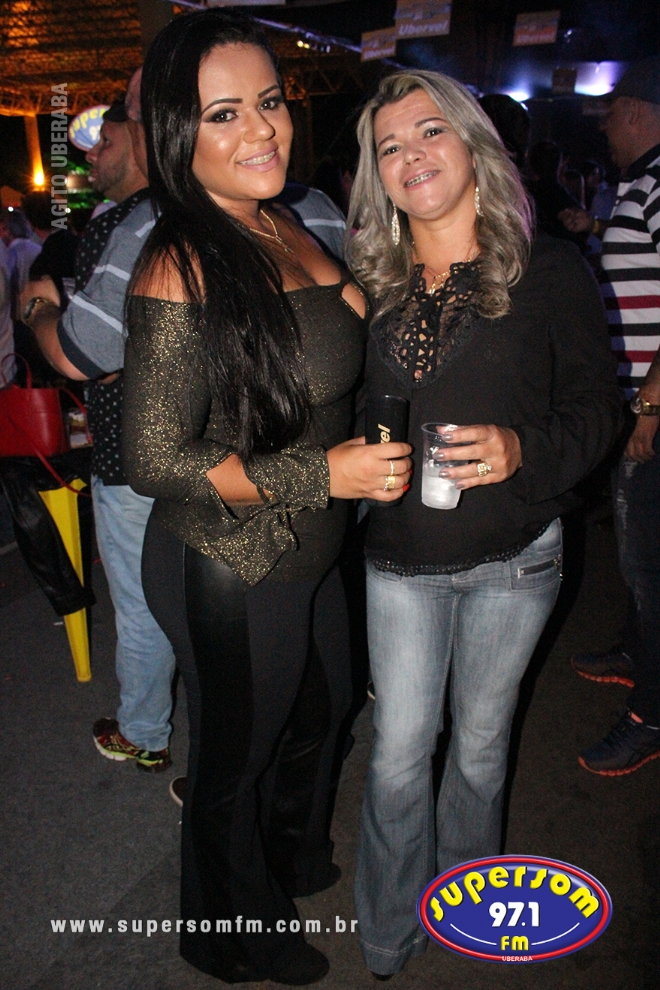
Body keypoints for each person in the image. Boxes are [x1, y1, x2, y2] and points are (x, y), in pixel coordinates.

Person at [121, 10, 410, 985]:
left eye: (272, 102)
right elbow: (153, 455)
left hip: (313, 549)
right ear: (178, 133)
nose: (263, 129)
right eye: (225, 113)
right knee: (235, 761)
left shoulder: (280, 218)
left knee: (323, 714)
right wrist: (322, 475)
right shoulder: (181, 261)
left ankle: (284, 865)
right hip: (231, 559)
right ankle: (226, 933)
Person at [344, 69, 621, 978]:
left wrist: (520, 449)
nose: (412, 155)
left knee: (480, 749)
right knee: (397, 755)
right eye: (390, 146)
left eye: (430, 131)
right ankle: (388, 929)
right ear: (378, 175)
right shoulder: (367, 284)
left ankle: (465, 906)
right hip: (400, 559)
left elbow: (599, 410)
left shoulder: (548, 269)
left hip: (517, 559)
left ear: (472, 143)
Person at [22, 81, 178, 773]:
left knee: (142, 604)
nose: (90, 156)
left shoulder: (123, 226)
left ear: (141, 139)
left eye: (105, 140)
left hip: (131, 451)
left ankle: (145, 732)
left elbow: (87, 355)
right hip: (203, 448)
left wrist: (41, 309)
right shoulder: (202, 210)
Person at [573, 56, 660, 775]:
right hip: (641, 397)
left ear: (635, 110)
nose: (604, 128)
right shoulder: (641, 184)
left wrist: (651, 405)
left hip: (656, 405)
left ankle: (653, 713)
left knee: (649, 563)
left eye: (610, 114)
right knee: (642, 559)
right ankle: (638, 651)